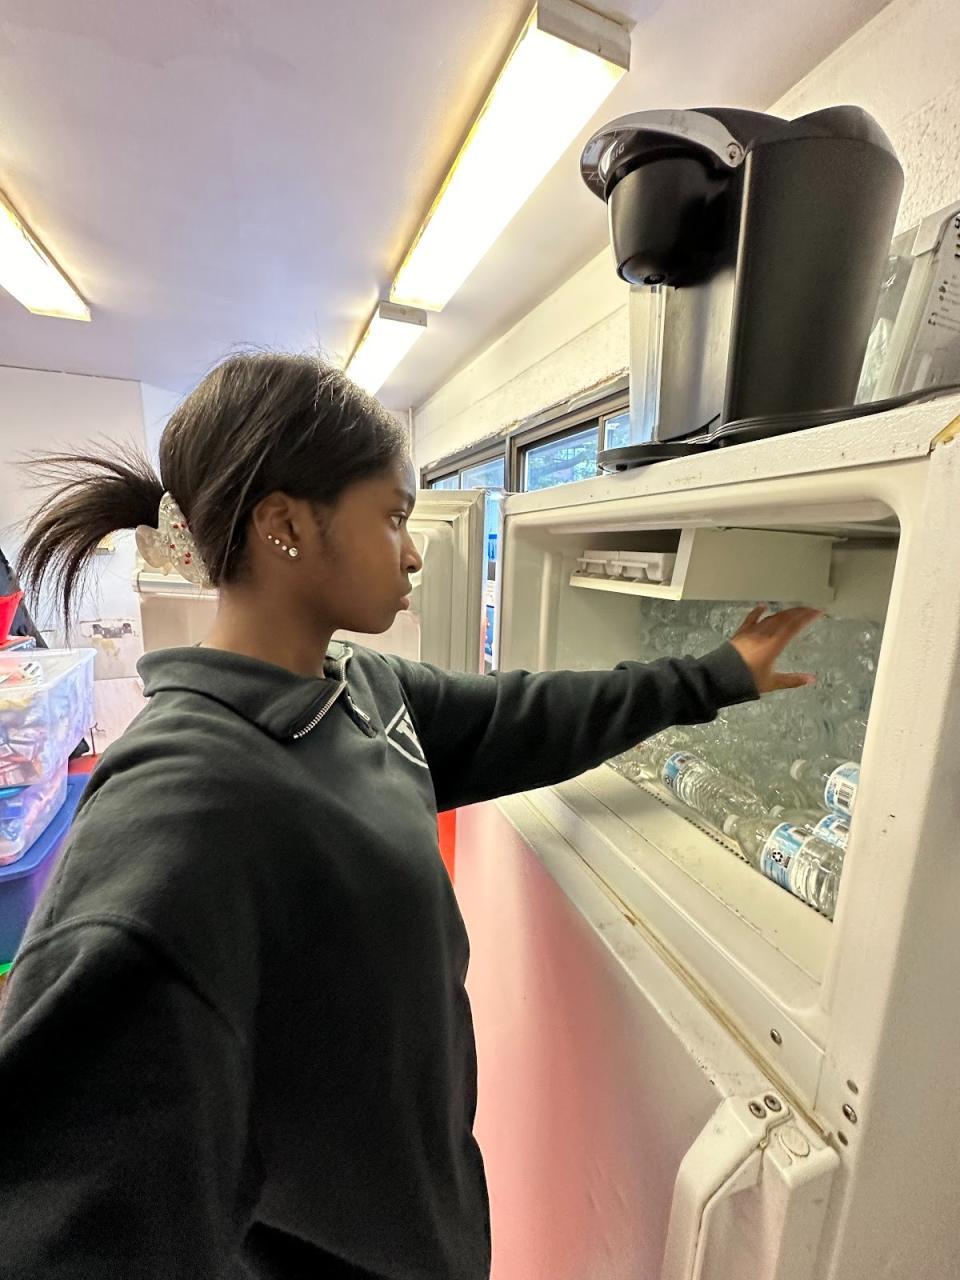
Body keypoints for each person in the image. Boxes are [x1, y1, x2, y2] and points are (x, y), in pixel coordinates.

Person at [0, 353, 818, 1280]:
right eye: (393, 516)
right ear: (284, 526)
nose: (415, 551)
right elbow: (61, 1212)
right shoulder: (186, 802)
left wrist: (715, 675)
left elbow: (525, 715)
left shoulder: (358, 688)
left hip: (432, 1229)